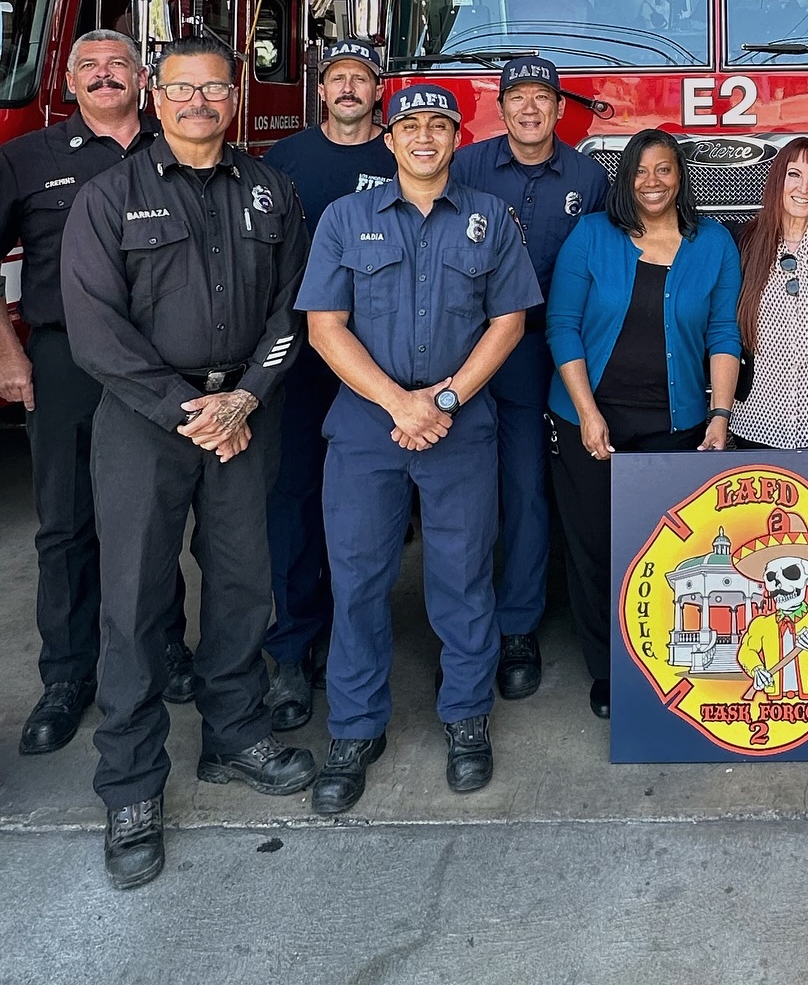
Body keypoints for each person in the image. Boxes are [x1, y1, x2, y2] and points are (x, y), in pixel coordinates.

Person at [60, 35, 314, 890]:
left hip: (243, 415)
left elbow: (295, 312)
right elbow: (96, 331)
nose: (198, 102)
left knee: (244, 584)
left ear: (234, 99)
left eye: (214, 88)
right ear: (154, 97)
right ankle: (131, 787)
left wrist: (243, 399)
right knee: (133, 598)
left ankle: (235, 737)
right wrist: (188, 412)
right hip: (143, 422)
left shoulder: (273, 191)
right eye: (181, 89)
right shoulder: (107, 198)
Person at [299, 83, 540, 814]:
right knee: (359, 579)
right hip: (368, 429)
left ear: (458, 138)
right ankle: (355, 727)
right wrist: (398, 402)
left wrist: (442, 400)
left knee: (463, 578)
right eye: (412, 126)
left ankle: (466, 718)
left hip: (458, 426)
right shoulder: (346, 218)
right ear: (390, 139)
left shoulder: (490, 218)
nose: (425, 137)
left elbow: (508, 324)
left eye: (440, 125)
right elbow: (324, 327)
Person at [0, 31, 196, 758]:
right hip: (65, 360)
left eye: (119, 65)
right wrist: (9, 353)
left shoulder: (175, 141)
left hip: (160, 363)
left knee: (152, 516)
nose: (106, 76)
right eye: (91, 67)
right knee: (66, 524)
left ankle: (167, 649)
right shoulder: (29, 158)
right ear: (70, 81)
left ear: (143, 78)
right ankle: (66, 674)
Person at [547, 128, 741, 719]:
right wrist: (587, 412)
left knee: (665, 554)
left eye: (663, 170)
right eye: (639, 171)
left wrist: (718, 414)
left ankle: (663, 665)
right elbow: (563, 326)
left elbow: (723, 333)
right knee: (594, 548)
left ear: (680, 176)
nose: (651, 182)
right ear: (623, 178)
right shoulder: (591, 236)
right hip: (588, 418)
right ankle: (609, 673)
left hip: (677, 424)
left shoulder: (713, 242)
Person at [450, 54, 606, 701]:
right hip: (465, 349)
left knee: (526, 490)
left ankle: (517, 628)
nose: (531, 108)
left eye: (543, 97)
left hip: (548, 348)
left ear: (560, 109)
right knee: (461, 493)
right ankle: (463, 634)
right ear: (502, 107)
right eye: (518, 97)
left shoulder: (591, 178)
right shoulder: (464, 167)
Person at [260, 39, 395, 731]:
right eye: (337, 78)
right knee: (294, 501)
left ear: (379, 92)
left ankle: (353, 642)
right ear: (320, 92)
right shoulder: (281, 162)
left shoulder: (402, 156)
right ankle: (292, 648)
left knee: (367, 518)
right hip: (303, 364)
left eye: (361, 79)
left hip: (386, 367)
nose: (348, 88)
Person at [731, 138, 808, 451]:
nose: (804, 188)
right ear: (777, 181)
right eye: (794, 174)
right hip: (754, 423)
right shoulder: (741, 244)